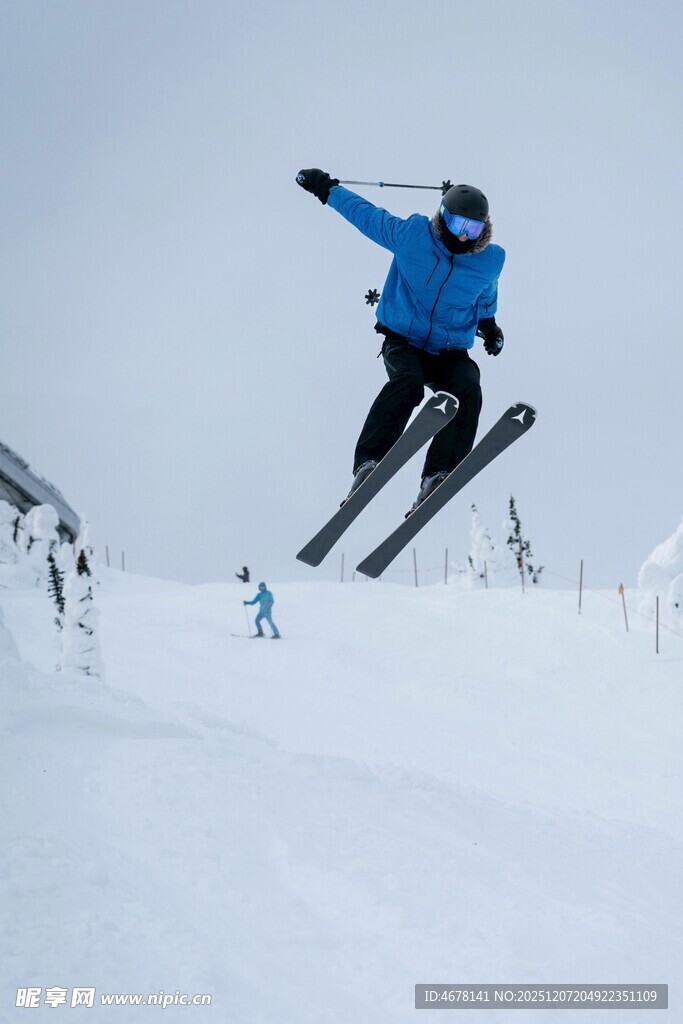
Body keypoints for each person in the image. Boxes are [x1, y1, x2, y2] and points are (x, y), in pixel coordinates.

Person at [296, 169, 506, 509]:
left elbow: (486, 294)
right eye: (458, 226)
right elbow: (367, 216)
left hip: (449, 351)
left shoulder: (489, 261)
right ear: (443, 218)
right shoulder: (413, 236)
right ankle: (369, 462)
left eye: (474, 229)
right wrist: (326, 190)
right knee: (407, 382)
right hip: (403, 340)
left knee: (467, 385)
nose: (465, 237)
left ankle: (438, 473)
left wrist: (490, 325)